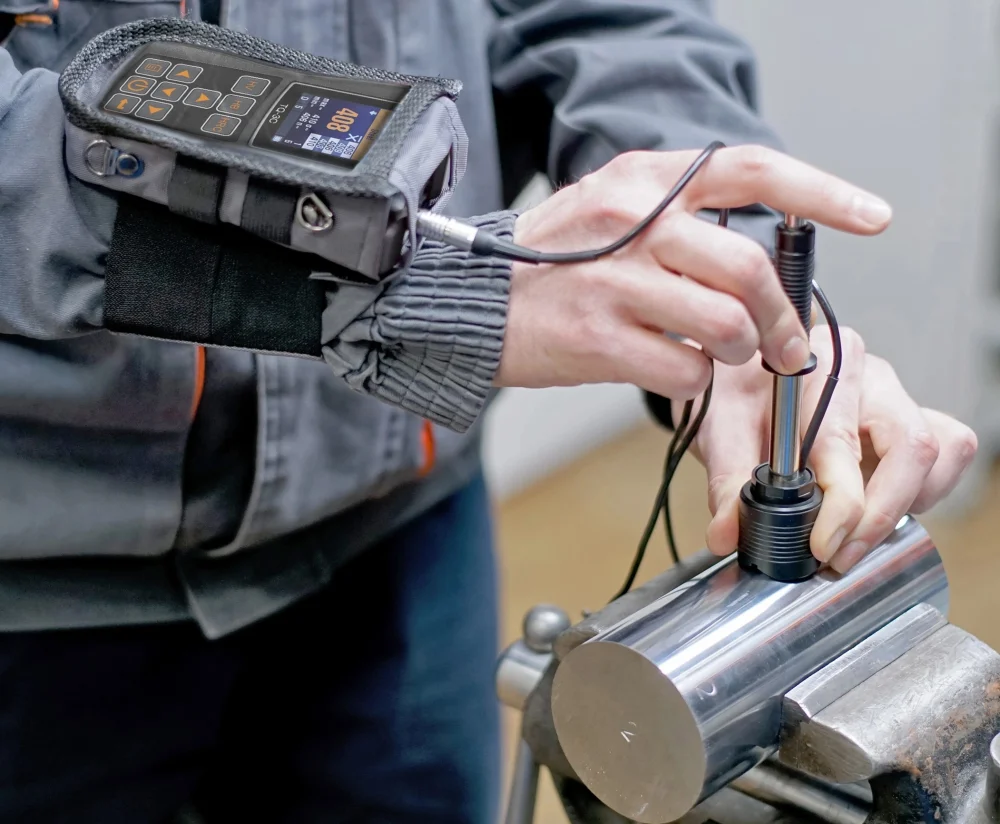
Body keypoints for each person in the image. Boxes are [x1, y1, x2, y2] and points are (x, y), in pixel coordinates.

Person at [0, 0, 976, 821]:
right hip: (37, 596)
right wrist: (420, 286)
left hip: (401, 542)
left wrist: (719, 274)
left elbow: (607, 17)